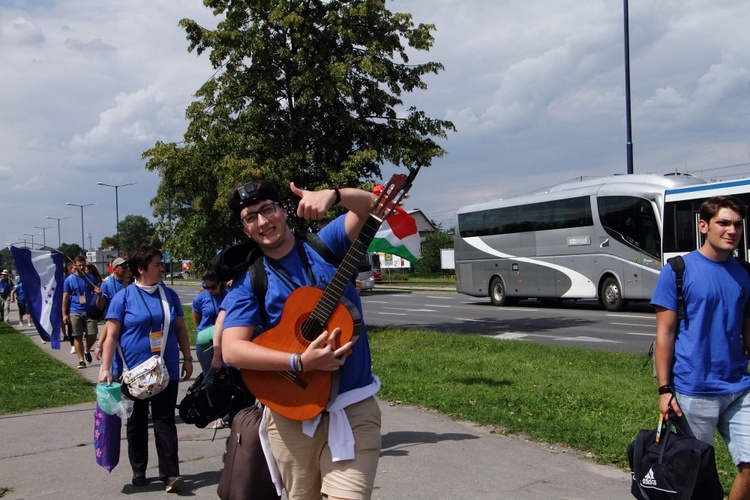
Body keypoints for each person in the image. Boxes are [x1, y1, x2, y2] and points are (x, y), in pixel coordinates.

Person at [222, 180, 381, 500]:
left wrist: (334, 195)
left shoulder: (326, 244)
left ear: (283, 210)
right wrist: (298, 361)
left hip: (353, 409)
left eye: (268, 209)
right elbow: (231, 349)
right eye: (251, 217)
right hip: (290, 414)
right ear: (245, 229)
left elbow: (373, 208)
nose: (263, 222)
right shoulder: (251, 279)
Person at [653, 195, 750, 499]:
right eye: (723, 223)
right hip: (694, 390)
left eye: (737, 224)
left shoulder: (745, 272)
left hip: (739, 387)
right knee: (694, 474)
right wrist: (665, 389)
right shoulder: (678, 270)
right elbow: (665, 334)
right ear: (704, 225)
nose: (731, 230)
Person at [98, 245, 193, 493]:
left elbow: (181, 329)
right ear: (141, 269)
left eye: (161, 264)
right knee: (136, 423)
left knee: (165, 422)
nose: (162, 268)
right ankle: (139, 469)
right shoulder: (123, 297)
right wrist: (105, 368)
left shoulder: (169, 295)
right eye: (157, 265)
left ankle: (170, 474)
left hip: (165, 369)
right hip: (133, 373)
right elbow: (111, 335)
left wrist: (187, 358)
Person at [192, 269, 229, 386]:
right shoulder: (201, 298)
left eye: (213, 287)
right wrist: (204, 332)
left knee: (226, 378)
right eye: (206, 287)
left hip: (225, 341)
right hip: (205, 343)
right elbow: (196, 318)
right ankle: (210, 402)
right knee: (210, 380)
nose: (210, 290)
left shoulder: (229, 297)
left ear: (220, 283)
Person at [62, 256, 100, 368]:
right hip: (75, 310)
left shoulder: (90, 278)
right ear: (75, 265)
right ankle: (81, 360)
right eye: (79, 265)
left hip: (89, 310)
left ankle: (87, 349)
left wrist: (97, 292)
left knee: (93, 334)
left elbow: (95, 289)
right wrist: (64, 314)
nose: (82, 267)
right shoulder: (69, 280)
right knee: (77, 336)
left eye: (84, 265)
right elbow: (65, 297)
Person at [93, 257, 130, 365]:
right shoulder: (107, 284)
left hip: (128, 321)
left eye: (126, 267)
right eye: (122, 267)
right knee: (114, 350)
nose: (125, 269)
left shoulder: (130, 282)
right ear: (114, 268)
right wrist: (99, 296)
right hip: (113, 321)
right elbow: (100, 307)